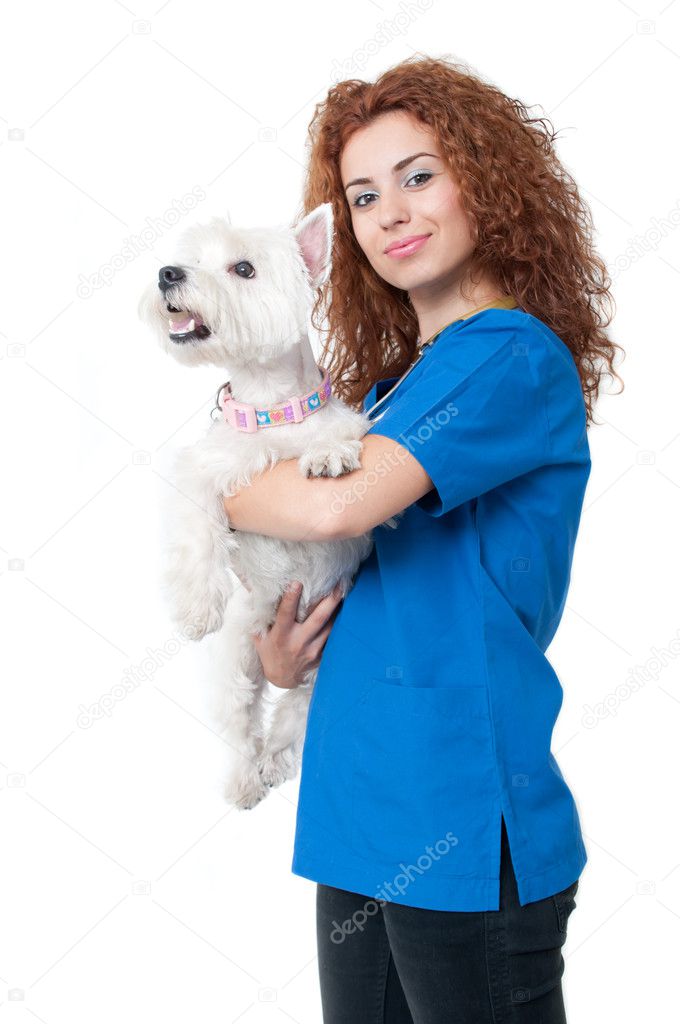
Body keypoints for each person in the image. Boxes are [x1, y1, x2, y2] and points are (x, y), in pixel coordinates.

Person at [222, 55, 624, 1023]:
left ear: (482, 182)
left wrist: (218, 488)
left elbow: (335, 509)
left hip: (459, 813)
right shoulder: (392, 391)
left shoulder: (509, 356)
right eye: (361, 196)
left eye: (417, 176)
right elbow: (349, 569)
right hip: (359, 808)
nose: (388, 212)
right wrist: (279, 658)